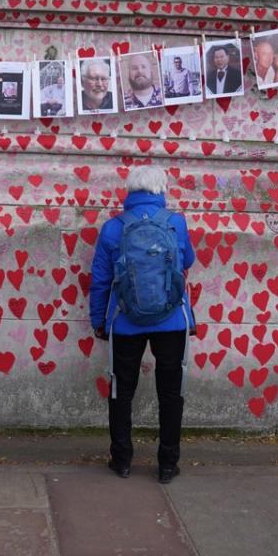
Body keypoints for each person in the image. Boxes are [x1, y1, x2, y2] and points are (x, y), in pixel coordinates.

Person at [89, 165, 196, 485]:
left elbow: (101, 280)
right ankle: (167, 464)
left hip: (125, 321)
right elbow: (187, 261)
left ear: (130, 190)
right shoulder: (176, 223)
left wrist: (99, 320)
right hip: (172, 320)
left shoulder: (113, 227)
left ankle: (121, 460)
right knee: (170, 392)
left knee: (122, 391)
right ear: (160, 189)